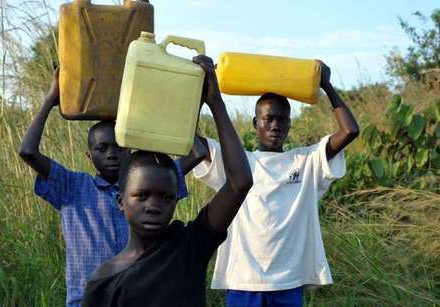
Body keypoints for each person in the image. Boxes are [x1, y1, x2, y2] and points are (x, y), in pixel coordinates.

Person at [18, 68, 205, 307]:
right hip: (84, 301)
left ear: (129, 149)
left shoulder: (151, 187)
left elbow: (198, 151)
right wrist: (50, 99)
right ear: (89, 154)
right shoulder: (73, 187)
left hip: (136, 299)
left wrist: (175, 102)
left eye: (118, 147)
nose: (111, 155)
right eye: (101, 148)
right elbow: (28, 151)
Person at [81, 55, 253, 307]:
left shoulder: (190, 245)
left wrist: (216, 103)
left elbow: (240, 183)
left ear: (175, 201)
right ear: (121, 201)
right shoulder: (104, 281)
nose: (153, 205)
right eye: (141, 195)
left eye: (166, 197)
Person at [193, 61, 360, 307]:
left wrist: (325, 84)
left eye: (282, 120)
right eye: (268, 119)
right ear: (254, 123)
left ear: (290, 124)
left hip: (288, 282)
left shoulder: (306, 161)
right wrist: (201, 85)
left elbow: (349, 131)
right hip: (244, 280)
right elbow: (191, 139)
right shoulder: (237, 163)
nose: (275, 126)